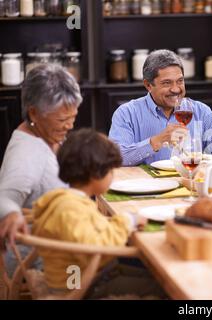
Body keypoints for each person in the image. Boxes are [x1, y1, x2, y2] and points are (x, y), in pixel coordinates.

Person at [32, 128, 163, 298]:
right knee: (163, 287)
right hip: (81, 284)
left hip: (91, 273)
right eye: (111, 171)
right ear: (96, 175)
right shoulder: (70, 209)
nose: (113, 176)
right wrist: (126, 221)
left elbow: (86, 231)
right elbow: (94, 248)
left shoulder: (65, 200)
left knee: (153, 275)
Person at [109, 49, 212, 166]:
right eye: (167, 83)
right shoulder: (127, 113)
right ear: (148, 85)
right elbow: (116, 158)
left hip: (190, 183)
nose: (176, 89)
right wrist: (157, 141)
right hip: (146, 188)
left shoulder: (200, 111)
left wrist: (206, 163)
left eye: (180, 81)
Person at [0, 64, 82, 248]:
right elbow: (4, 198)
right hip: (40, 264)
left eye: (73, 117)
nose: (69, 126)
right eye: (62, 120)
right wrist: (11, 214)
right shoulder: (26, 153)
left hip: (61, 250)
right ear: (34, 113)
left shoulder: (47, 134)